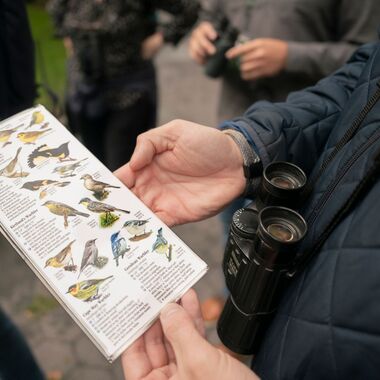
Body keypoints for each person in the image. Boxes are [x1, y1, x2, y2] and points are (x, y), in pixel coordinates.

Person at [117, 35, 380, 379]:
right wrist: (244, 148)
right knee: (240, 254)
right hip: (295, 297)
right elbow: (365, 83)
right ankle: (234, 309)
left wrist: (291, 54)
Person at [189, 0, 380, 258]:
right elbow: (210, 14)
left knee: (287, 255)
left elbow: (369, 59)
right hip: (233, 131)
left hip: (307, 148)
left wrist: (290, 56)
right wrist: (203, 32)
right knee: (234, 238)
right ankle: (229, 294)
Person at [48, 0, 199, 171]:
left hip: (129, 92)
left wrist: (157, 40)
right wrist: (69, 39)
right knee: (91, 165)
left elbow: (189, 9)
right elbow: (56, 11)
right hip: (86, 91)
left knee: (122, 169)